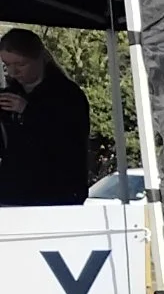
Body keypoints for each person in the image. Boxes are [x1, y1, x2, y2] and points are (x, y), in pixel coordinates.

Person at [0, 28, 95, 206]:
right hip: (12, 193)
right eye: (6, 65)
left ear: (39, 58)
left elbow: (68, 139)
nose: (13, 72)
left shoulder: (67, 94)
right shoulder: (10, 93)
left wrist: (28, 111)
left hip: (56, 193)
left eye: (20, 64)